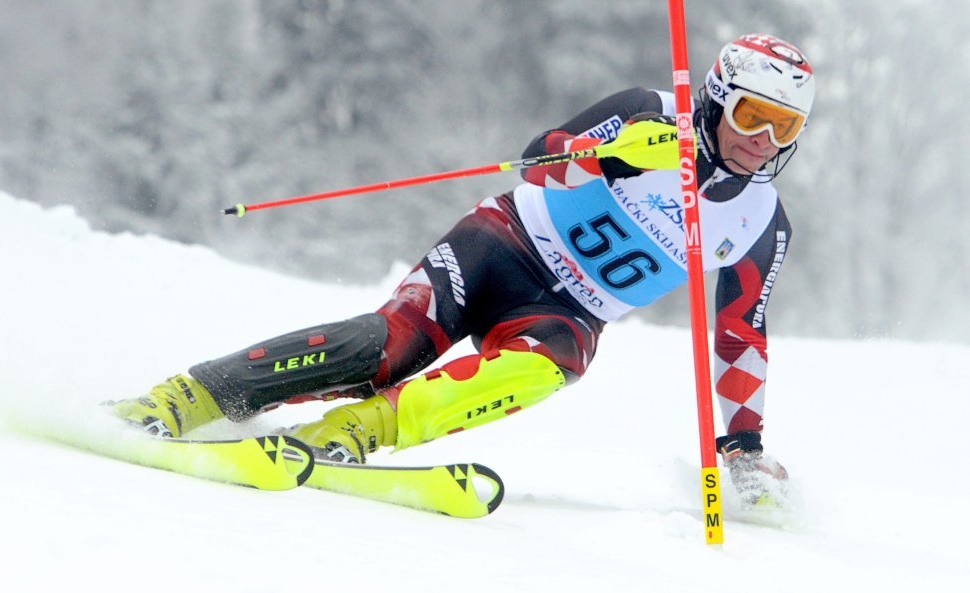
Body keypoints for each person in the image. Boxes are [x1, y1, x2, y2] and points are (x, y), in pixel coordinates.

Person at [111, 33, 815, 506]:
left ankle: (353, 433)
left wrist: (742, 445)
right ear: (719, 95)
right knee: (386, 347)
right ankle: (193, 396)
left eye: (784, 128)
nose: (762, 141)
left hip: (566, 313)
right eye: (753, 115)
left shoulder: (760, 220)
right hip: (502, 245)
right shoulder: (647, 112)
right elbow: (543, 155)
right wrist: (624, 153)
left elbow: (738, 337)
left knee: (549, 366)